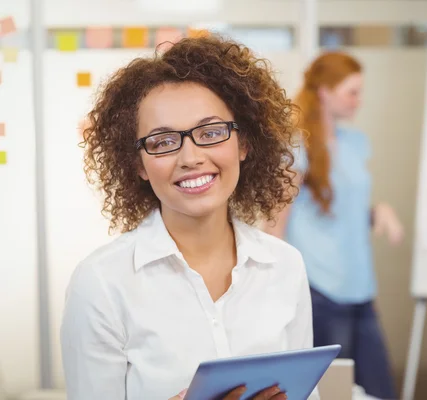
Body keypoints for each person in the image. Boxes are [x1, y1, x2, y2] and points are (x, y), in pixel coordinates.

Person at [60, 35, 315, 400]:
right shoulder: (101, 284)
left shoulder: (286, 266)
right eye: (162, 142)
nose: (190, 157)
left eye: (211, 133)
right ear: (139, 165)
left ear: (244, 143)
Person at [264, 52, 404, 399]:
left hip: (360, 290)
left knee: (378, 391)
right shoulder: (297, 146)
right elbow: (275, 222)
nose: (359, 100)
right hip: (321, 291)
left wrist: (378, 211)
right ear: (325, 92)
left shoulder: (356, 143)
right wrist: (273, 292)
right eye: (351, 92)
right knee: (331, 392)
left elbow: (342, 207)